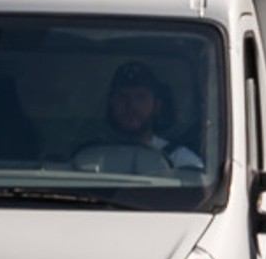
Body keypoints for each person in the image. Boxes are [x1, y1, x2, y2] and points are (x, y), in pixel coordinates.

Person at [72, 60, 203, 174]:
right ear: (111, 103)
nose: (131, 106)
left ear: (157, 106)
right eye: (123, 97)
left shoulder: (181, 161)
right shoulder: (89, 158)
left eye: (141, 97)